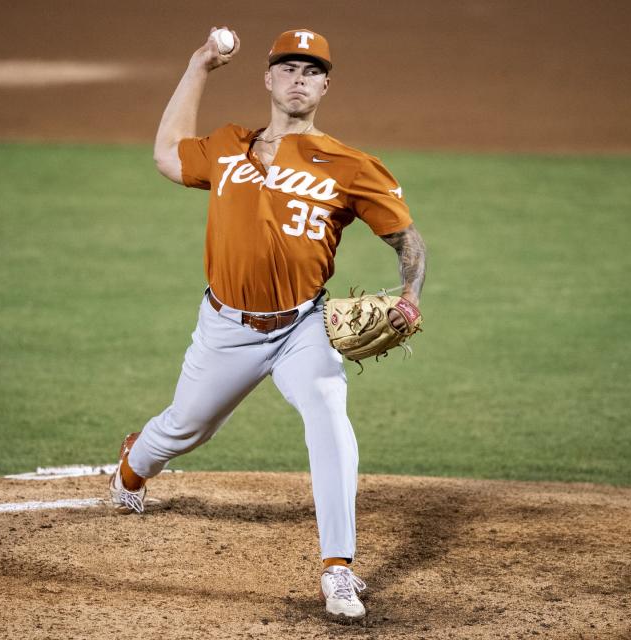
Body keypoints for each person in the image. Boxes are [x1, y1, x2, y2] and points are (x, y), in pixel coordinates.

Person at [108, 27, 427, 620]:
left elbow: (407, 239)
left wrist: (409, 295)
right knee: (186, 427)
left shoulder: (351, 166)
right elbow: (165, 154)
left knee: (329, 412)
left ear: (325, 85)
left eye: (311, 71)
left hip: (303, 326)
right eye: (288, 68)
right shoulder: (228, 145)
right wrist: (199, 63)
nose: (298, 79)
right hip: (226, 327)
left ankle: (338, 568)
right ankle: (133, 465)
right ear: (268, 78)